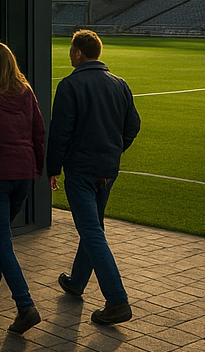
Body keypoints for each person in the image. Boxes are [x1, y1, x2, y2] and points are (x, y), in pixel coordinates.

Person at [48, 29, 141, 325]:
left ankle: (117, 299)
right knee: (93, 227)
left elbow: (60, 133)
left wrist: (53, 168)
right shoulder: (120, 84)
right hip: (107, 170)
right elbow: (133, 126)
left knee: (91, 231)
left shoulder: (70, 85)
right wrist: (115, 150)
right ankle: (77, 281)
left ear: (78, 53)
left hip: (81, 170)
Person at [0, 42, 46, 334]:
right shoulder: (26, 92)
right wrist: (36, 167)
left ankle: (25, 304)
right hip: (23, 175)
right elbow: (38, 132)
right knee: (0, 235)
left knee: (2, 239)